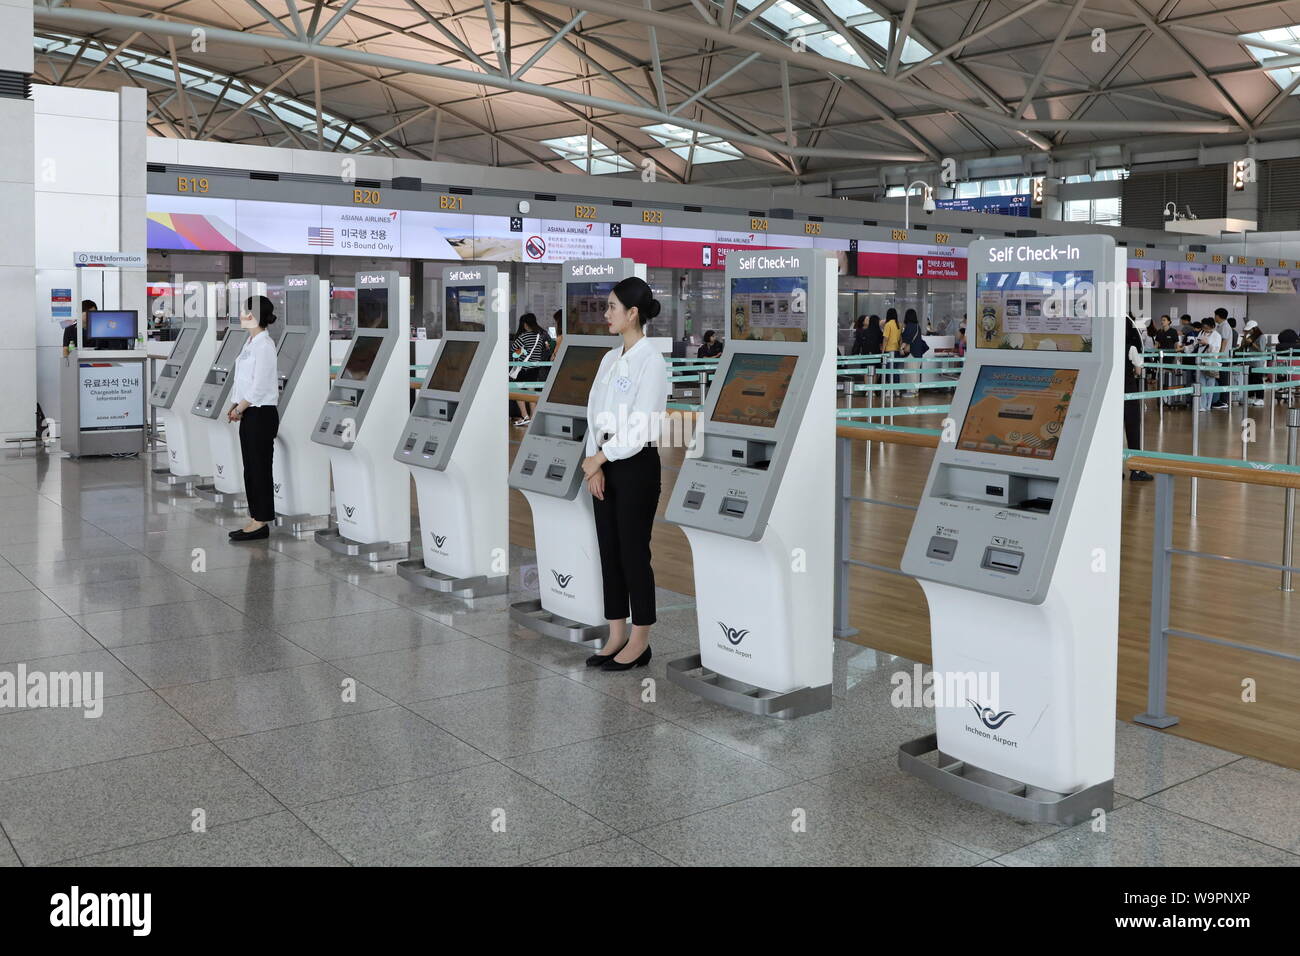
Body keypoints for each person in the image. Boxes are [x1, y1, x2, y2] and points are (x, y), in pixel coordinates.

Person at [581, 276, 669, 671]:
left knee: (634, 553)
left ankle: (640, 639)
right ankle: (615, 632)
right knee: (609, 551)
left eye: (612, 307)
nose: (606, 314)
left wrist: (603, 458)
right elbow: (593, 414)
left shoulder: (651, 360)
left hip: (634, 465)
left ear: (632, 314)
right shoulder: (609, 358)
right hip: (603, 464)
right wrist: (593, 463)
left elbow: (641, 424)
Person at [227, 296, 280, 542]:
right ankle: (255, 518)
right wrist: (235, 405)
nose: (240, 315)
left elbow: (260, 386)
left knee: (259, 468)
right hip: (249, 411)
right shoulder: (250, 343)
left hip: (261, 413)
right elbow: (243, 381)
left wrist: (240, 409)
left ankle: (261, 522)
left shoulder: (265, 345)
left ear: (254, 316)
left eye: (244, 312)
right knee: (251, 468)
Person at [509, 313, 551, 425]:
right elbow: (544, 350)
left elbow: (513, 349)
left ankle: (525, 415)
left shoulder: (523, 336)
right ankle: (533, 416)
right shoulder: (540, 336)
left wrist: (522, 351)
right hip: (535, 368)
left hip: (523, 368)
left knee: (517, 391)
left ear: (526, 324)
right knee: (531, 392)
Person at [1124, 315, 1153, 481]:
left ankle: (1112, 468)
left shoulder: (1105, 347)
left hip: (1109, 394)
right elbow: (1138, 371)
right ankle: (1136, 470)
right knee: (1133, 430)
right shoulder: (1131, 348)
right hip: (1128, 392)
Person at [898, 308, 929, 397]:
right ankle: (915, 391)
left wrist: (901, 348)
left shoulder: (909, 326)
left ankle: (911, 391)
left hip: (912, 353)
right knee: (916, 373)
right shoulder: (917, 326)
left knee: (911, 372)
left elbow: (906, 339)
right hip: (918, 353)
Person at [1194, 318, 1222, 412]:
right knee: (1201, 384)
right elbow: (1196, 344)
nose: (1205, 328)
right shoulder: (1201, 333)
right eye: (1204, 326)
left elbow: (1215, 350)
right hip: (1200, 360)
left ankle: (1208, 406)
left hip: (1211, 362)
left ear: (1212, 326)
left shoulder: (1217, 335)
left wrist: (1207, 344)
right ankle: (1201, 406)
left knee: (1210, 385)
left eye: (1207, 327)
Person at [1240, 320, 1266, 407]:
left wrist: (1251, 343)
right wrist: (1244, 336)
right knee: (1250, 380)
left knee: (1258, 380)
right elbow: (1242, 346)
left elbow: (1261, 350)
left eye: (1250, 330)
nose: (1249, 331)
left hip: (1258, 362)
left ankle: (1260, 398)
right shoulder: (1250, 336)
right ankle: (1250, 397)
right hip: (1249, 362)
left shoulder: (1261, 337)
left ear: (1255, 328)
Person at [1211, 308, 1232, 409]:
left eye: (1215, 315)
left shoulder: (1225, 326)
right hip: (1221, 356)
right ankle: (1221, 399)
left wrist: (1219, 355)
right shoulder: (1221, 326)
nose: (1214, 317)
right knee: (1220, 378)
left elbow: (1224, 341)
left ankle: (1224, 401)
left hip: (1223, 357)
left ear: (1218, 316)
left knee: (1223, 378)